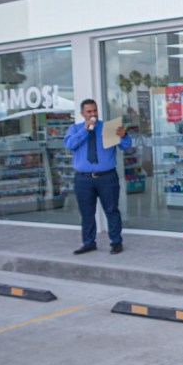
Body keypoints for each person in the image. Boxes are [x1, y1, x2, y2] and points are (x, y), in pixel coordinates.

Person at [63, 99, 131, 255]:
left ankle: (116, 242)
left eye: (95, 110)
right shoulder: (75, 129)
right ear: (82, 113)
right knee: (86, 213)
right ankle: (88, 243)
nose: (93, 114)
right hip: (83, 179)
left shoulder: (108, 127)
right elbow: (69, 145)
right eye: (89, 111)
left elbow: (125, 146)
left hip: (107, 177)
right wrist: (85, 131)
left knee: (112, 210)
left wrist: (125, 135)